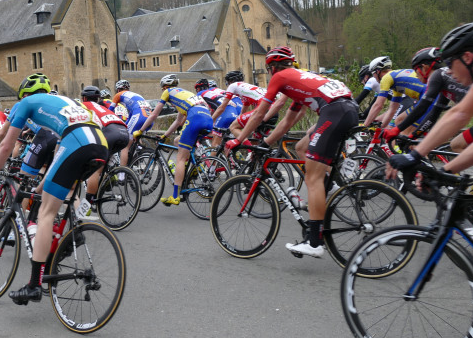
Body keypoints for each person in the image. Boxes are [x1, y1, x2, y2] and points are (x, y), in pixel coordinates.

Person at [0, 75, 109, 305]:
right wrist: (42, 185)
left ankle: (34, 285)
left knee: (45, 213)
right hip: (99, 143)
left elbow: (7, 145)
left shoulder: (26, 104)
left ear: (25, 95)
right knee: (56, 195)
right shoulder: (66, 102)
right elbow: (60, 148)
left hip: (75, 142)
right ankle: (71, 236)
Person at [388, 23, 473, 238]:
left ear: (468, 57)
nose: (448, 71)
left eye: (450, 63)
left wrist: (415, 155)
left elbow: (460, 113)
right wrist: (445, 172)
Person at [226, 46, 358, 258]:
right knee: (301, 147)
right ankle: (328, 185)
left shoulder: (280, 77)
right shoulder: (300, 79)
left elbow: (260, 114)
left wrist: (238, 139)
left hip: (335, 111)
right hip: (347, 109)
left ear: (271, 68)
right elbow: (288, 120)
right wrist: (267, 143)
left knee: (312, 178)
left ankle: (314, 242)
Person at [133, 74, 214, 206]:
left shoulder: (168, 92)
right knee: (177, 141)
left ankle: (175, 196)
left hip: (195, 117)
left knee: (180, 158)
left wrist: (141, 131)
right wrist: (165, 136)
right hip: (208, 119)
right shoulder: (185, 94)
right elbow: (178, 121)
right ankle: (195, 168)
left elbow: (154, 114)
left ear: (165, 87)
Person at [382, 47, 466, 141]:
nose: (416, 76)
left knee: (457, 145)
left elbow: (423, 106)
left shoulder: (436, 76)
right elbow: (434, 115)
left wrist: (397, 129)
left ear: (424, 67)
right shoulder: (444, 79)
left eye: (415, 70)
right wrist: (413, 136)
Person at [80, 85, 130, 207]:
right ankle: (107, 180)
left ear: (84, 98)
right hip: (124, 132)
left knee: (95, 170)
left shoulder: (84, 106)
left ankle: (88, 205)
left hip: (111, 133)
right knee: (104, 163)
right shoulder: (101, 106)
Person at [362, 56, 426, 129]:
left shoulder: (386, 78)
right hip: (424, 97)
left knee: (396, 124)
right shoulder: (395, 81)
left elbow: (378, 106)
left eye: (373, 74)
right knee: (393, 129)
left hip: (425, 96)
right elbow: (393, 109)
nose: (374, 77)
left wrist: (364, 126)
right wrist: (380, 128)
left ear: (378, 71)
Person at [111, 79, 152, 166]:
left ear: (118, 89)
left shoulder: (118, 95)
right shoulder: (135, 95)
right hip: (149, 119)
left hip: (139, 117)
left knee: (125, 147)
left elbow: (109, 111)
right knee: (136, 136)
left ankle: (122, 175)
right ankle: (139, 152)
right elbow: (130, 116)